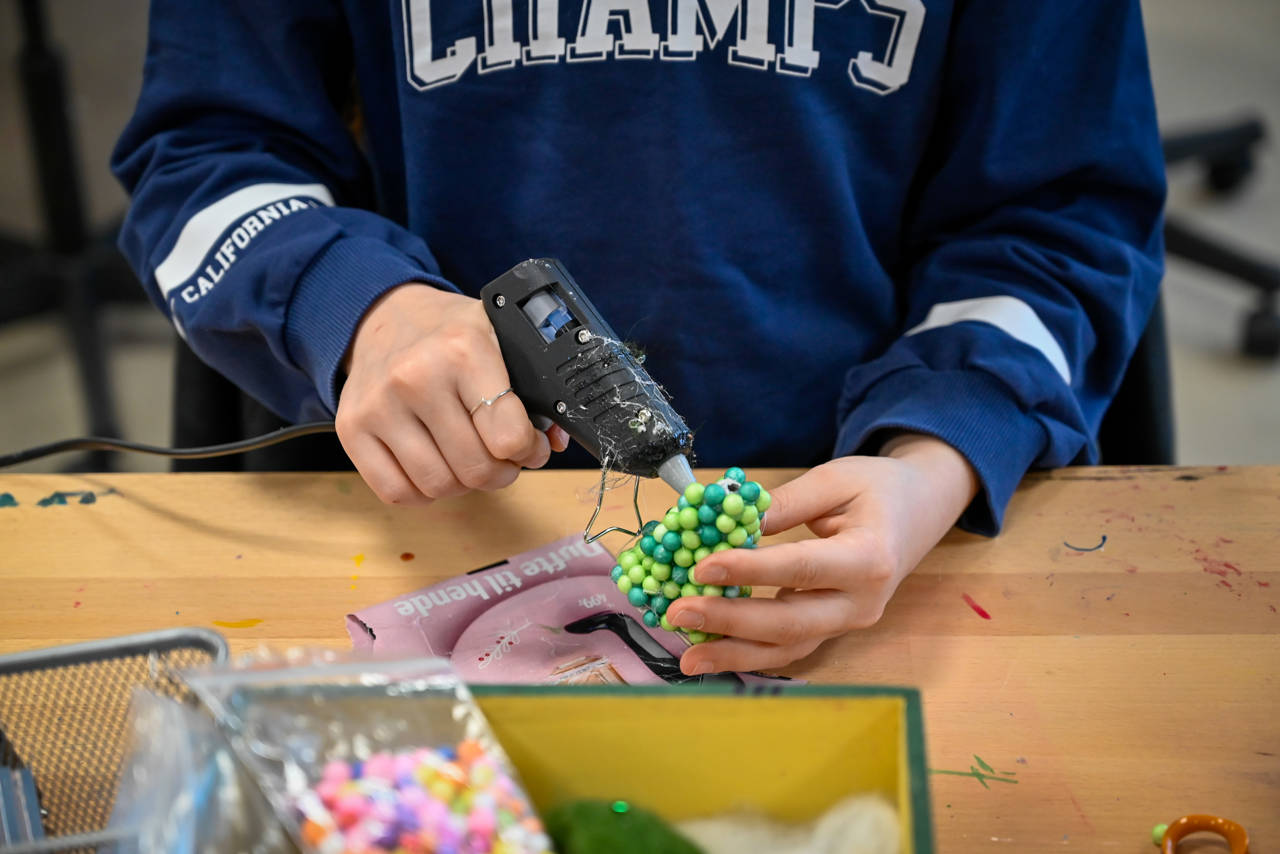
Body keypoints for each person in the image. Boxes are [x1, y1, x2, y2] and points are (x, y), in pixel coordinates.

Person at [112, 0, 1165, 676]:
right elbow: (205, 154)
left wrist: (933, 457)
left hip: (875, 542)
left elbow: (1058, 215)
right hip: (446, 533)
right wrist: (363, 306)